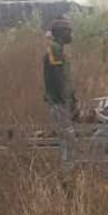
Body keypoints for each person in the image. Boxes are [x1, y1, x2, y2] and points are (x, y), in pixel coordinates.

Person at [43, 17, 77, 162]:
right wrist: (65, 98)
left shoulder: (59, 49)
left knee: (67, 135)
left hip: (62, 100)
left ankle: (67, 166)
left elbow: (64, 77)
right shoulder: (54, 48)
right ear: (62, 33)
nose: (71, 35)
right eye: (69, 31)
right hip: (58, 101)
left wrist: (73, 98)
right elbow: (56, 76)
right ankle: (66, 170)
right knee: (67, 136)